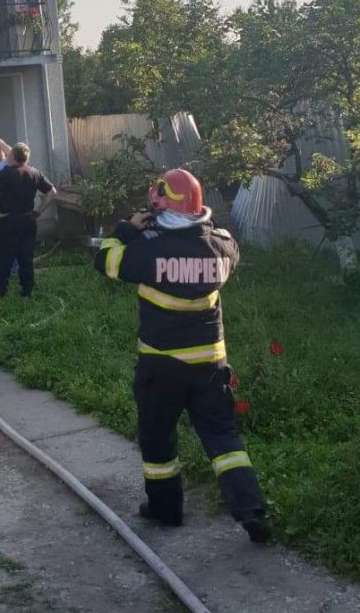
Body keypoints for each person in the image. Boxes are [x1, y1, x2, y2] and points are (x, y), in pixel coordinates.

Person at [94, 169, 270, 544]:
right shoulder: (222, 246)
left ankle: (166, 508)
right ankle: (250, 508)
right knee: (222, 437)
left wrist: (127, 228)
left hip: (162, 364)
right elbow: (222, 239)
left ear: (160, 204)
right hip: (211, 363)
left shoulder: (147, 249)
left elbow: (105, 260)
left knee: (158, 438)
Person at [0, 143, 56, 299]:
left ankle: (0, 289)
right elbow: (52, 192)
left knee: (2, 256)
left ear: (13, 156)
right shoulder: (35, 172)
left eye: (9, 154)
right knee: (26, 256)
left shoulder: (6, 173)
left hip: (8, 220)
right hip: (28, 219)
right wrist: (39, 211)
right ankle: (27, 290)